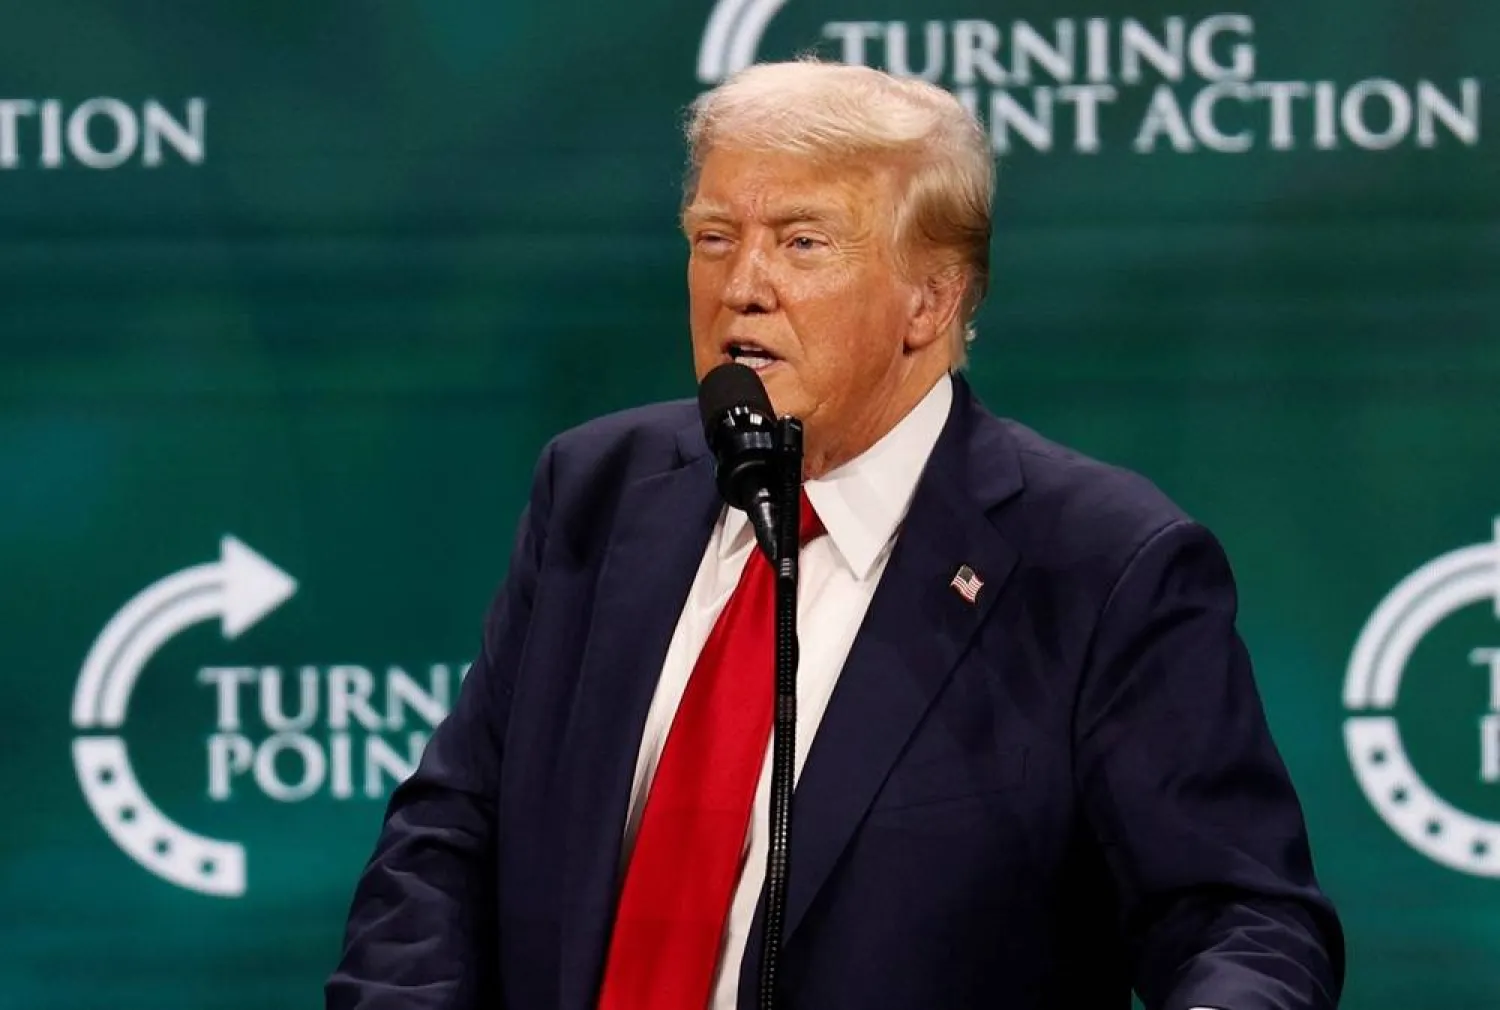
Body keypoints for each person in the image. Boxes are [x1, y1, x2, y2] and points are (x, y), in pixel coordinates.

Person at [325, 59, 1344, 1010]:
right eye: (715, 236)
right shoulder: (597, 491)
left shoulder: (1100, 564)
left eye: (802, 241)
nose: (742, 284)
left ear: (930, 300)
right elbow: (445, 840)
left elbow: (1242, 917)